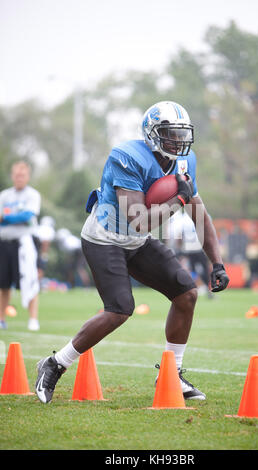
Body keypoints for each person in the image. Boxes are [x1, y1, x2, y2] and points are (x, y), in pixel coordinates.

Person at [35, 101, 229, 404]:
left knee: (186, 294)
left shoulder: (184, 161)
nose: (178, 141)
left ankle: (171, 374)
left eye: (182, 134)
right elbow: (137, 218)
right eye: (170, 134)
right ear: (152, 134)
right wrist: (179, 198)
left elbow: (199, 215)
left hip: (137, 241)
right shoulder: (127, 157)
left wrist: (217, 263)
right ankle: (55, 363)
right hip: (105, 237)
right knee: (120, 309)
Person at [0, 161, 41, 330]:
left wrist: (6, 218)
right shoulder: (4, 196)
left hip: (24, 245)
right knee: (3, 284)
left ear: (27, 177)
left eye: (22, 175)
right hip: (4, 243)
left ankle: (33, 319)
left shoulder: (32, 195)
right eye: (16, 175)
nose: (19, 178)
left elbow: (27, 216)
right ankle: (2, 319)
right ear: (12, 176)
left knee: (30, 280)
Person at [164, 209, 212, 298]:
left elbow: (179, 236)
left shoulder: (183, 219)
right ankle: (206, 289)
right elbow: (208, 233)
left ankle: (196, 287)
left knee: (191, 269)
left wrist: (179, 248)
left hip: (188, 248)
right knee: (203, 269)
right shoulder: (202, 216)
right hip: (199, 247)